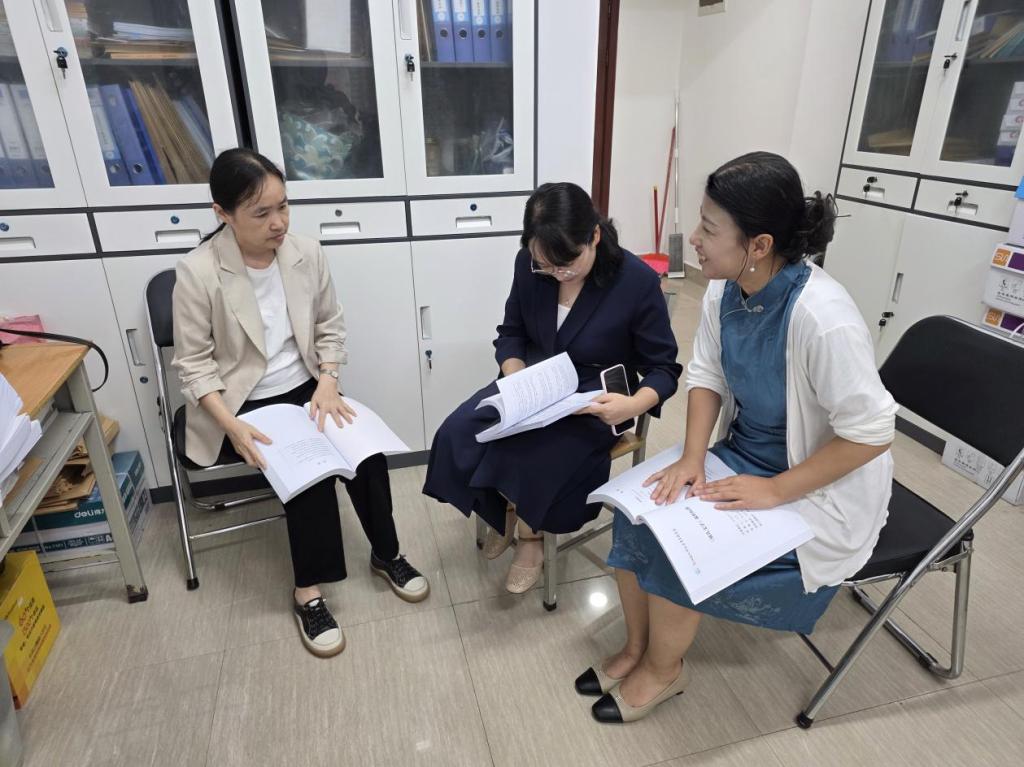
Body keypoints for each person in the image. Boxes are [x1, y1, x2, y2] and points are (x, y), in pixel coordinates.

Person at [583, 152, 898, 723]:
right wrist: (693, 458)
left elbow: (873, 433)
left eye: (708, 229)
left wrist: (776, 490)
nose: (694, 240)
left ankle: (663, 669)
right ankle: (637, 648)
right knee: (636, 514)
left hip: (812, 484)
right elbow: (706, 374)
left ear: (759, 244)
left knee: (678, 551)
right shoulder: (725, 289)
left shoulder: (822, 317)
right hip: (743, 455)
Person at [172, 148, 428, 658]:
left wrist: (329, 380)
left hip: (309, 387)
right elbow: (194, 366)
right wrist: (232, 427)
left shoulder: (306, 253)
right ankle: (307, 593)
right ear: (223, 213)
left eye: (283, 206)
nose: (279, 223)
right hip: (244, 401)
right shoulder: (198, 271)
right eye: (261, 213)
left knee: (368, 459)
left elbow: (330, 325)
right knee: (311, 479)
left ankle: (387, 554)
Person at [423, 182, 682, 593]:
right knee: (459, 432)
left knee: (530, 455)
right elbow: (511, 332)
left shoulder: (634, 281)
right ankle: (502, 512)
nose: (559, 274)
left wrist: (632, 406)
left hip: (597, 397)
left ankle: (531, 538)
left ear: (594, 236)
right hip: (535, 381)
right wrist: (514, 375)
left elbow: (663, 368)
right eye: (547, 265)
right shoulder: (529, 264)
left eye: (568, 264)